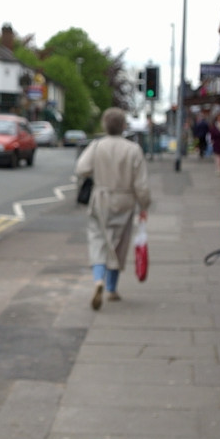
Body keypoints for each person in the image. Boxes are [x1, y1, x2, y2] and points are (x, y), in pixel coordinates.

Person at [75, 108, 151, 310]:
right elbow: (141, 185)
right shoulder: (133, 149)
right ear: (123, 126)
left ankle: (98, 279)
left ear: (104, 125)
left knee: (98, 240)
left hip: (101, 198)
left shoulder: (97, 145)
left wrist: (96, 173)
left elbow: (81, 168)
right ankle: (111, 289)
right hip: (125, 199)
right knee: (119, 244)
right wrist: (144, 206)